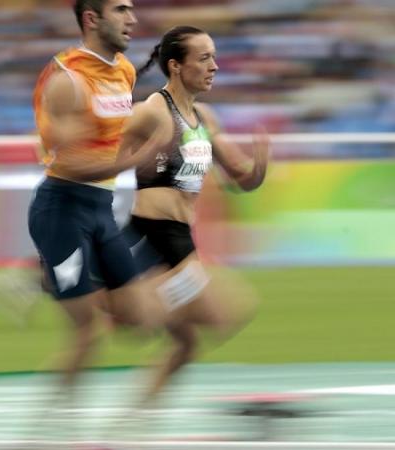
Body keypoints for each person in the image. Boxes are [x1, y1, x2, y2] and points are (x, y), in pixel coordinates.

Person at [117, 25, 270, 411]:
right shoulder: (152, 110)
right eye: (204, 59)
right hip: (151, 232)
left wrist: (260, 165)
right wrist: (138, 157)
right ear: (176, 66)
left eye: (214, 57)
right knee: (222, 312)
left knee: (187, 343)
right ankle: (128, 304)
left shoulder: (205, 118)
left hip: (181, 236)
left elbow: (241, 177)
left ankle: (134, 420)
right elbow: (103, 152)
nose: (214, 66)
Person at [28, 0, 165, 416]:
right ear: (92, 19)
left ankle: (50, 278)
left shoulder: (123, 70)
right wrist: (134, 159)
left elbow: (113, 134)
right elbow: (67, 162)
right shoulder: (65, 80)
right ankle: (47, 429)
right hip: (62, 211)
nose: (133, 19)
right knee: (88, 332)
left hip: (100, 208)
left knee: (140, 320)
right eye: (121, 10)